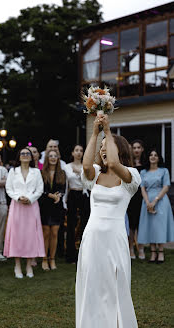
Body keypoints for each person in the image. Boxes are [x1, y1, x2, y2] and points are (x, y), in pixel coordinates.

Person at [76, 114, 141, 328]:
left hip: (114, 239)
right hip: (93, 237)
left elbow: (113, 163)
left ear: (119, 149)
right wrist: (94, 133)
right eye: (101, 147)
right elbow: (85, 166)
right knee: (92, 286)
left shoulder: (131, 176)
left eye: (107, 146)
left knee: (115, 285)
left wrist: (107, 130)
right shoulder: (95, 174)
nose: (103, 150)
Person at [4, 148, 45, 279]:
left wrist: (30, 199)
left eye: (28, 154)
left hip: (31, 206)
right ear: (19, 157)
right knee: (17, 235)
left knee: (30, 235)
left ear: (31, 157)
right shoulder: (13, 171)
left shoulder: (36, 172)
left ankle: (28, 265)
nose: (26, 155)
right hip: (17, 206)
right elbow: (8, 188)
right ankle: (17, 265)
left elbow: (40, 189)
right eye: (23, 153)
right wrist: (18, 197)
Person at [137, 149, 174, 263]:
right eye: (151, 155)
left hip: (161, 201)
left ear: (158, 158)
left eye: (155, 155)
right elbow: (142, 187)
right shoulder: (143, 172)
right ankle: (153, 252)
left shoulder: (164, 171)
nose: (153, 157)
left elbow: (166, 186)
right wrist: (148, 202)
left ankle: (161, 252)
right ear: (148, 158)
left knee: (160, 226)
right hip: (147, 201)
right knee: (150, 226)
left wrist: (155, 201)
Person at [39, 149, 66, 271]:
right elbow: (40, 190)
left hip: (57, 206)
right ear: (47, 158)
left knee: (55, 233)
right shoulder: (41, 172)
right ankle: (44, 259)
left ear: (58, 158)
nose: (53, 158)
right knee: (46, 233)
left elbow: (63, 189)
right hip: (45, 206)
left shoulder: (62, 173)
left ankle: (52, 259)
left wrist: (58, 196)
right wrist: (51, 195)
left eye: (55, 156)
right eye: (51, 156)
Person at [64, 144, 90, 263]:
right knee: (71, 224)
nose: (79, 152)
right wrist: (64, 200)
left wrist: (80, 172)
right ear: (73, 153)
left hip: (84, 195)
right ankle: (70, 254)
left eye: (81, 150)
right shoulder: (67, 167)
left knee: (85, 224)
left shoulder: (87, 167)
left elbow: (89, 182)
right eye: (76, 150)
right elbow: (66, 184)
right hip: (73, 194)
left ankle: (85, 254)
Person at [127, 140, 146, 259]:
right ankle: (130, 248)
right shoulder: (129, 164)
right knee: (131, 224)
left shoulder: (146, 164)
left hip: (144, 196)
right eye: (134, 148)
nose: (136, 150)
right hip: (132, 197)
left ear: (142, 149)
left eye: (138, 147)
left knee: (142, 223)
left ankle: (141, 248)